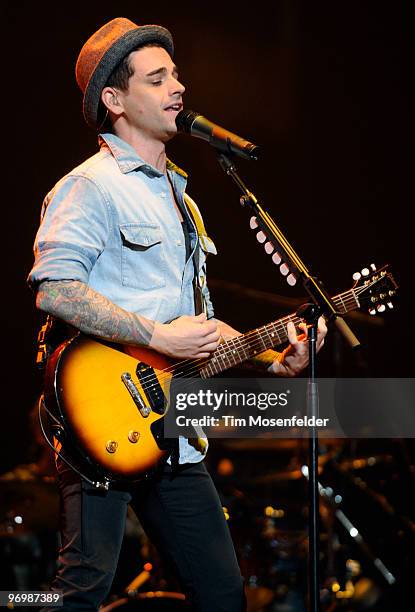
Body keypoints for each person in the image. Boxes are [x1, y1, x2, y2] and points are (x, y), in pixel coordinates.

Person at [27, 17, 327, 612]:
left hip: (173, 438)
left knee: (223, 596)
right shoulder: (91, 187)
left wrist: (273, 356)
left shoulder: (183, 200)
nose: (178, 87)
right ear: (114, 101)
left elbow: (200, 327)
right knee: (76, 594)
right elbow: (55, 290)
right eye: (157, 77)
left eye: (176, 74)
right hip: (102, 425)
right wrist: (156, 334)